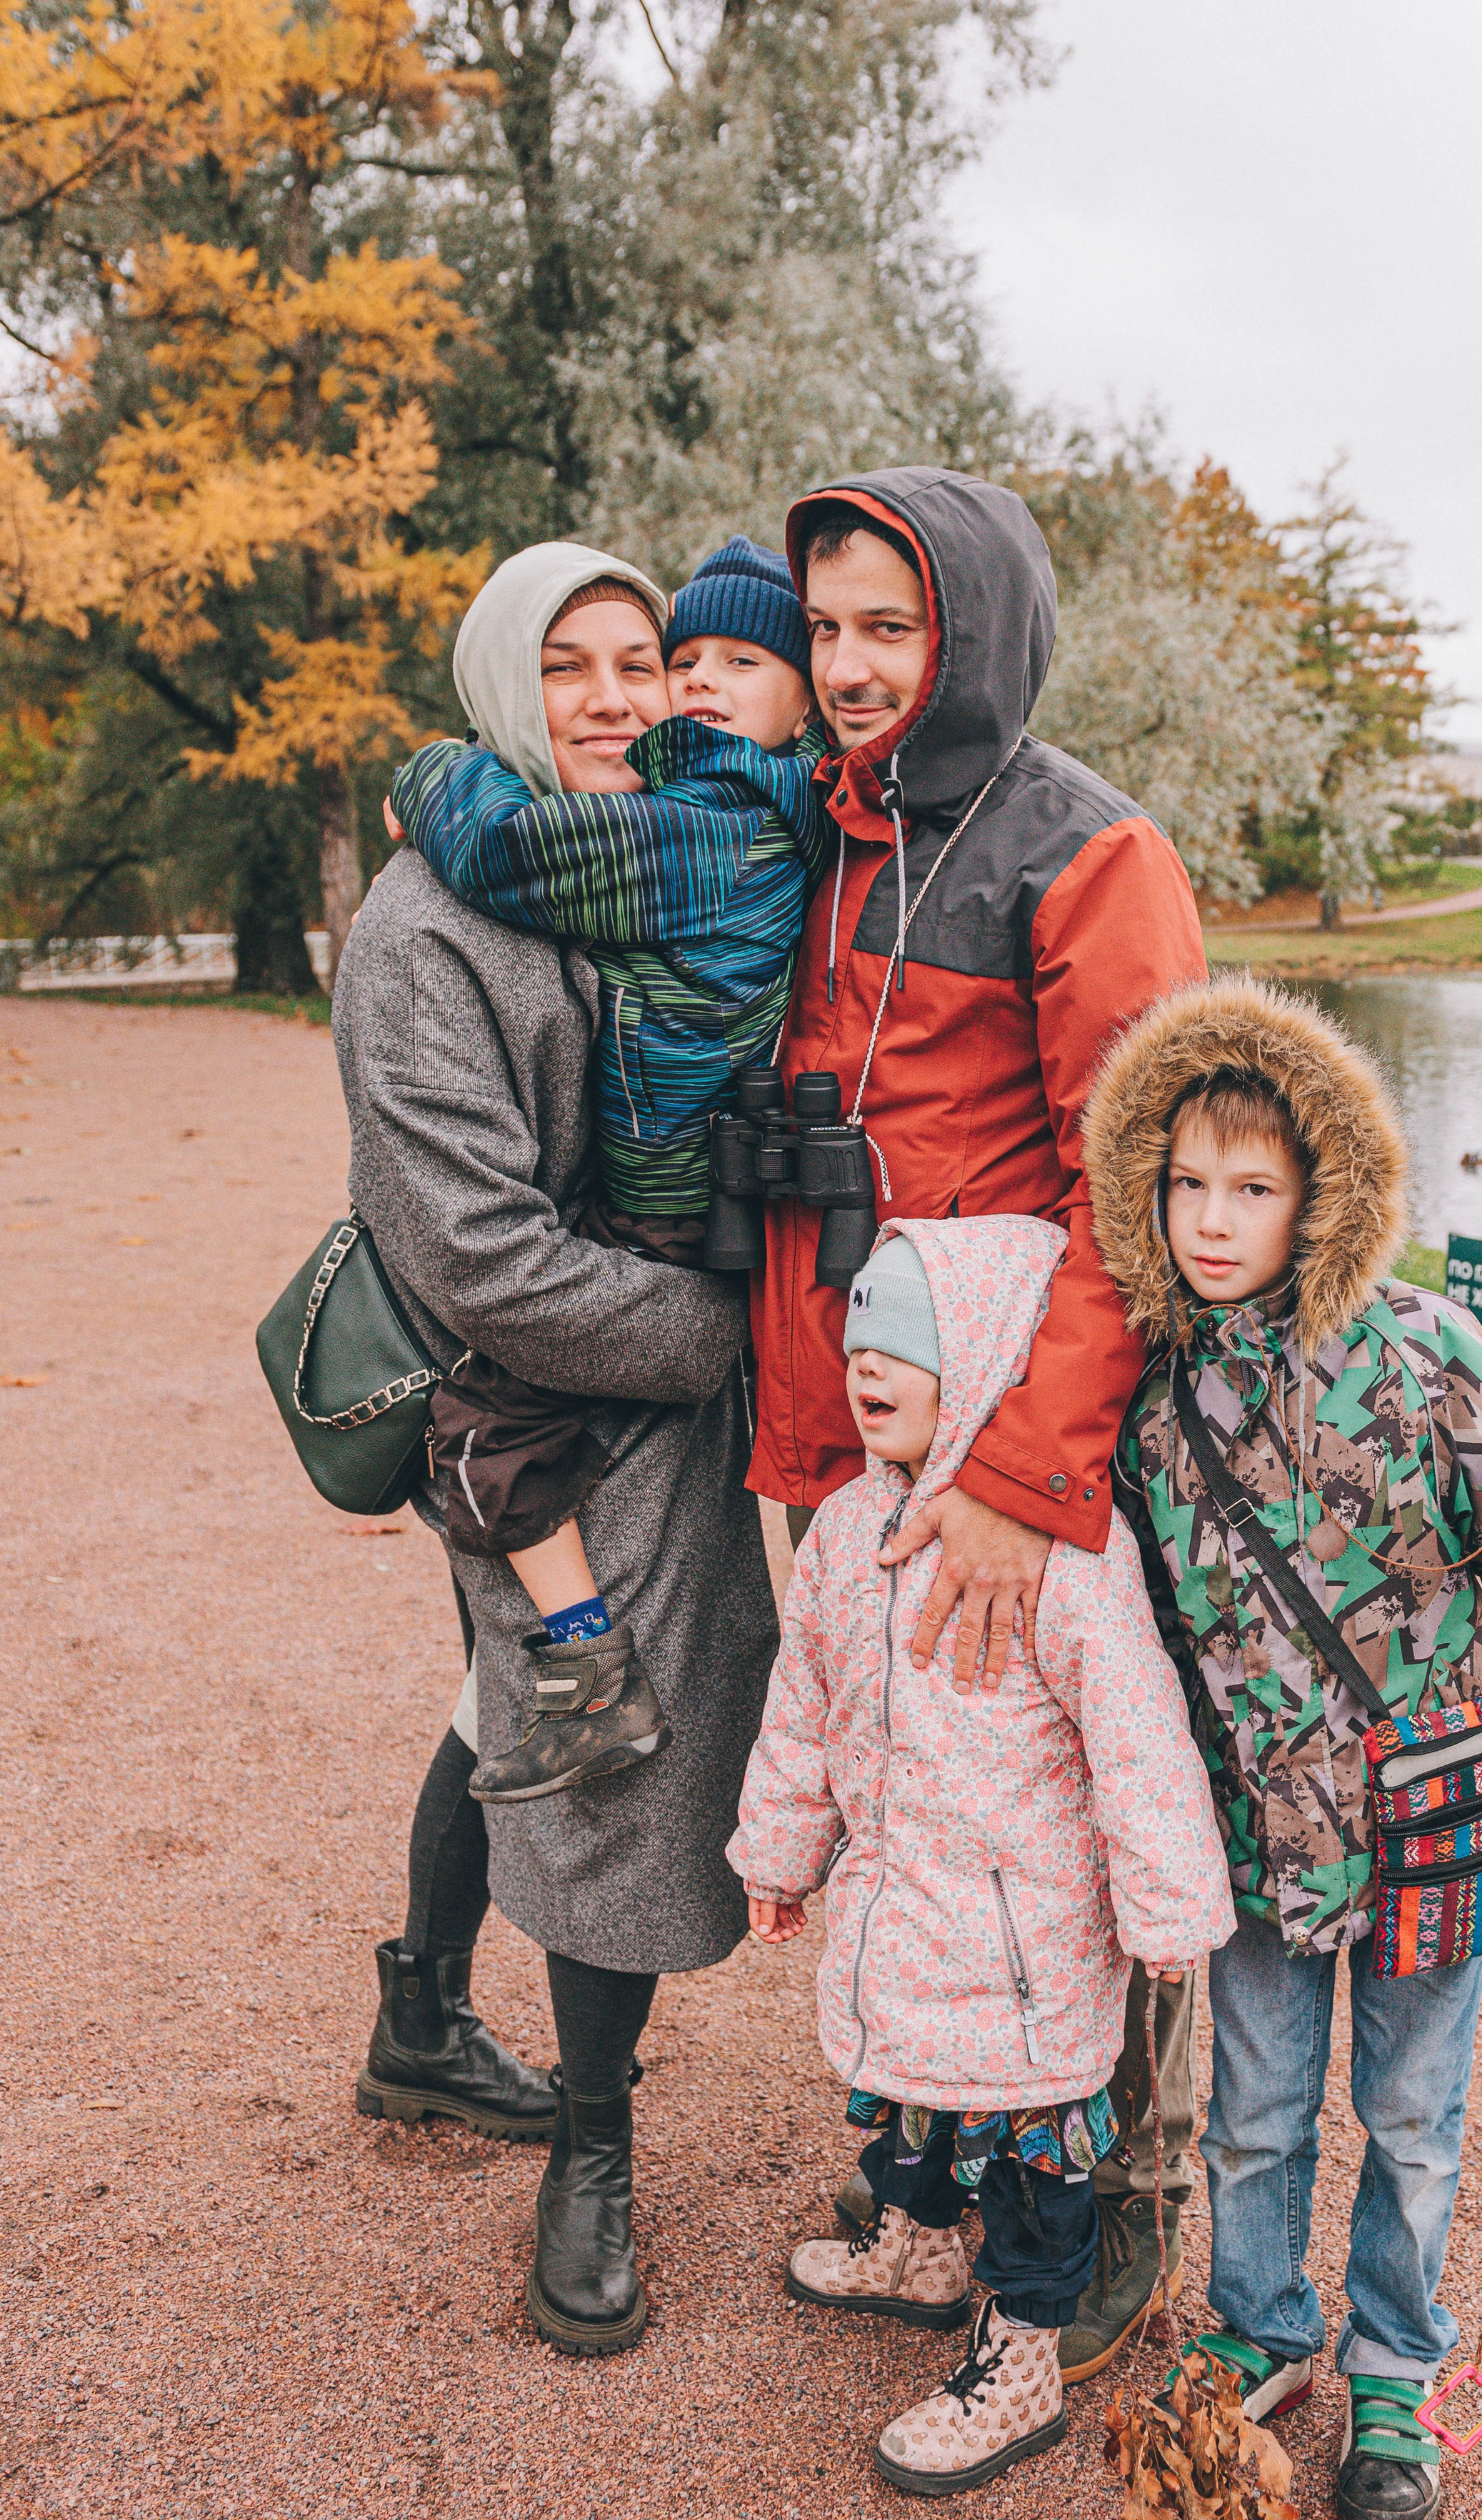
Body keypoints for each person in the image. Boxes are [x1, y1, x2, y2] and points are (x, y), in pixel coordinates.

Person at [1080, 973, 1482, 2520]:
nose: (1212, 1219)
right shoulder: (1143, 1393)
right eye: (1186, 1184)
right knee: (1255, 2112)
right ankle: (1261, 2323)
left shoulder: (1417, 1344)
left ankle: (1395, 2364)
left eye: (1251, 1189)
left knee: (1410, 2120)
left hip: (1429, 1814)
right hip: (1256, 1833)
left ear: (1317, 1193)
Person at [746, 469, 1213, 2359]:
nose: (850, 666)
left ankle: (1115, 2203)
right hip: (860, 1433)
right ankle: (939, 2173)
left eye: (893, 626)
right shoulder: (826, 826)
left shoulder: (1087, 853)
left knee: (1064, 1820)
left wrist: (1026, 1476)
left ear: (976, 631)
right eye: (826, 628)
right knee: (911, 1809)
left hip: (1017, 1444)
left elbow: (1137, 1191)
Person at [339, 537, 778, 2358]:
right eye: (567, 666)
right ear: (503, 682)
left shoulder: (625, 857)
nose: (611, 698)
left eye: (638, 660)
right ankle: (593, 2150)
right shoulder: (420, 931)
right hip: (551, 1407)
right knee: (612, 1755)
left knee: (496, 1703)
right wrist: (729, 1339)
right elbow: (475, 1251)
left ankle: (419, 2020)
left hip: (628, 1382)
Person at [729, 1218, 1232, 2496]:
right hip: (903, 1912)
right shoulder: (845, 1532)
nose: (867, 1366)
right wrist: (781, 1853)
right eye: (860, 1340)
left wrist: (1170, 1914)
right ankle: (918, 2248)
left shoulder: (1068, 1557)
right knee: (913, 2107)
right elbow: (803, 1707)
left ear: (993, 1359)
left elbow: (1139, 1742)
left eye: (906, 1344)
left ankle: (1020, 2360)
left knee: (1028, 2168)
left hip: (1026, 1946)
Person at [382, 538, 831, 1805]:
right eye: (690, 659)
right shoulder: (759, 807)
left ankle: (590, 1675)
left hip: (671, 1197)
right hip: (699, 1183)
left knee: (479, 1433)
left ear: (804, 702)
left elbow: (510, 856)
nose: (693, 687)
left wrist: (430, 774)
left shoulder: (706, 830)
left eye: (739, 664)